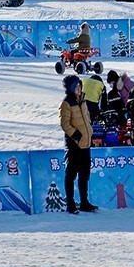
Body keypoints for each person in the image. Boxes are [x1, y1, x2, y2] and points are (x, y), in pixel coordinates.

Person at [58, 76, 98, 213]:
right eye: (76, 87)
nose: (79, 89)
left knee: (84, 174)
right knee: (71, 174)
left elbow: (87, 119)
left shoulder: (83, 101)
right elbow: (64, 124)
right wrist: (76, 136)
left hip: (85, 143)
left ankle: (84, 202)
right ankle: (70, 203)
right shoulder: (66, 103)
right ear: (70, 88)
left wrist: (89, 133)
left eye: (80, 86)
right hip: (74, 144)